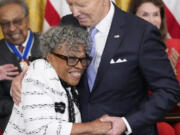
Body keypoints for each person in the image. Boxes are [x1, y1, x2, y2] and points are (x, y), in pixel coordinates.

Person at [12, 0, 180, 134]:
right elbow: (50, 62)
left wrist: (126, 123)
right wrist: (24, 79)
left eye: (81, 4)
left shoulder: (141, 32)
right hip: (79, 128)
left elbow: (168, 91)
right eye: (70, 4)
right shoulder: (69, 23)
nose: (75, 12)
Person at [4, 25, 111, 135]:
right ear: (50, 57)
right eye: (72, 58)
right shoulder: (39, 69)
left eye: (83, 59)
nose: (80, 66)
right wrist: (93, 127)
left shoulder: (69, 84)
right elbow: (39, 130)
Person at [128, 0, 180, 134]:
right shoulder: (126, 49)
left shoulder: (176, 46)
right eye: (145, 14)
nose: (151, 20)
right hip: (145, 116)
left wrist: (171, 77)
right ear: (133, 17)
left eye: (156, 14)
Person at [0, 0, 41, 132]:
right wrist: (23, 106)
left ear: (28, 20)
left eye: (17, 21)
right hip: (11, 126)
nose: (12, 28)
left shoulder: (51, 45)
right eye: (5, 24)